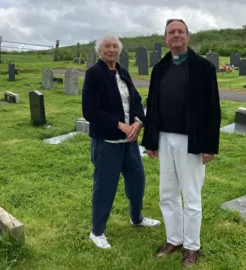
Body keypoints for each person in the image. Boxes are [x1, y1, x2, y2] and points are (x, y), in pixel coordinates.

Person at [141, 19, 221, 267]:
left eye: (180, 32)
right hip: (164, 138)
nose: (176, 35)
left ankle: (192, 247)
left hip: (192, 141)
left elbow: (212, 109)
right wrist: (151, 141)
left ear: (188, 37)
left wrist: (209, 146)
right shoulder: (160, 68)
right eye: (171, 32)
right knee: (167, 193)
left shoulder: (203, 67)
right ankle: (173, 239)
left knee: (191, 195)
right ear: (165, 39)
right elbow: (152, 107)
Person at [82, 34, 161, 249]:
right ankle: (97, 231)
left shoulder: (122, 71)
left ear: (119, 50)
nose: (111, 50)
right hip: (107, 143)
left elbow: (134, 100)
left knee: (137, 181)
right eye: (106, 46)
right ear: (99, 50)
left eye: (115, 46)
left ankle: (137, 218)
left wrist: (138, 122)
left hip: (129, 143)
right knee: (104, 187)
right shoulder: (94, 74)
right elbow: (90, 111)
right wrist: (120, 125)